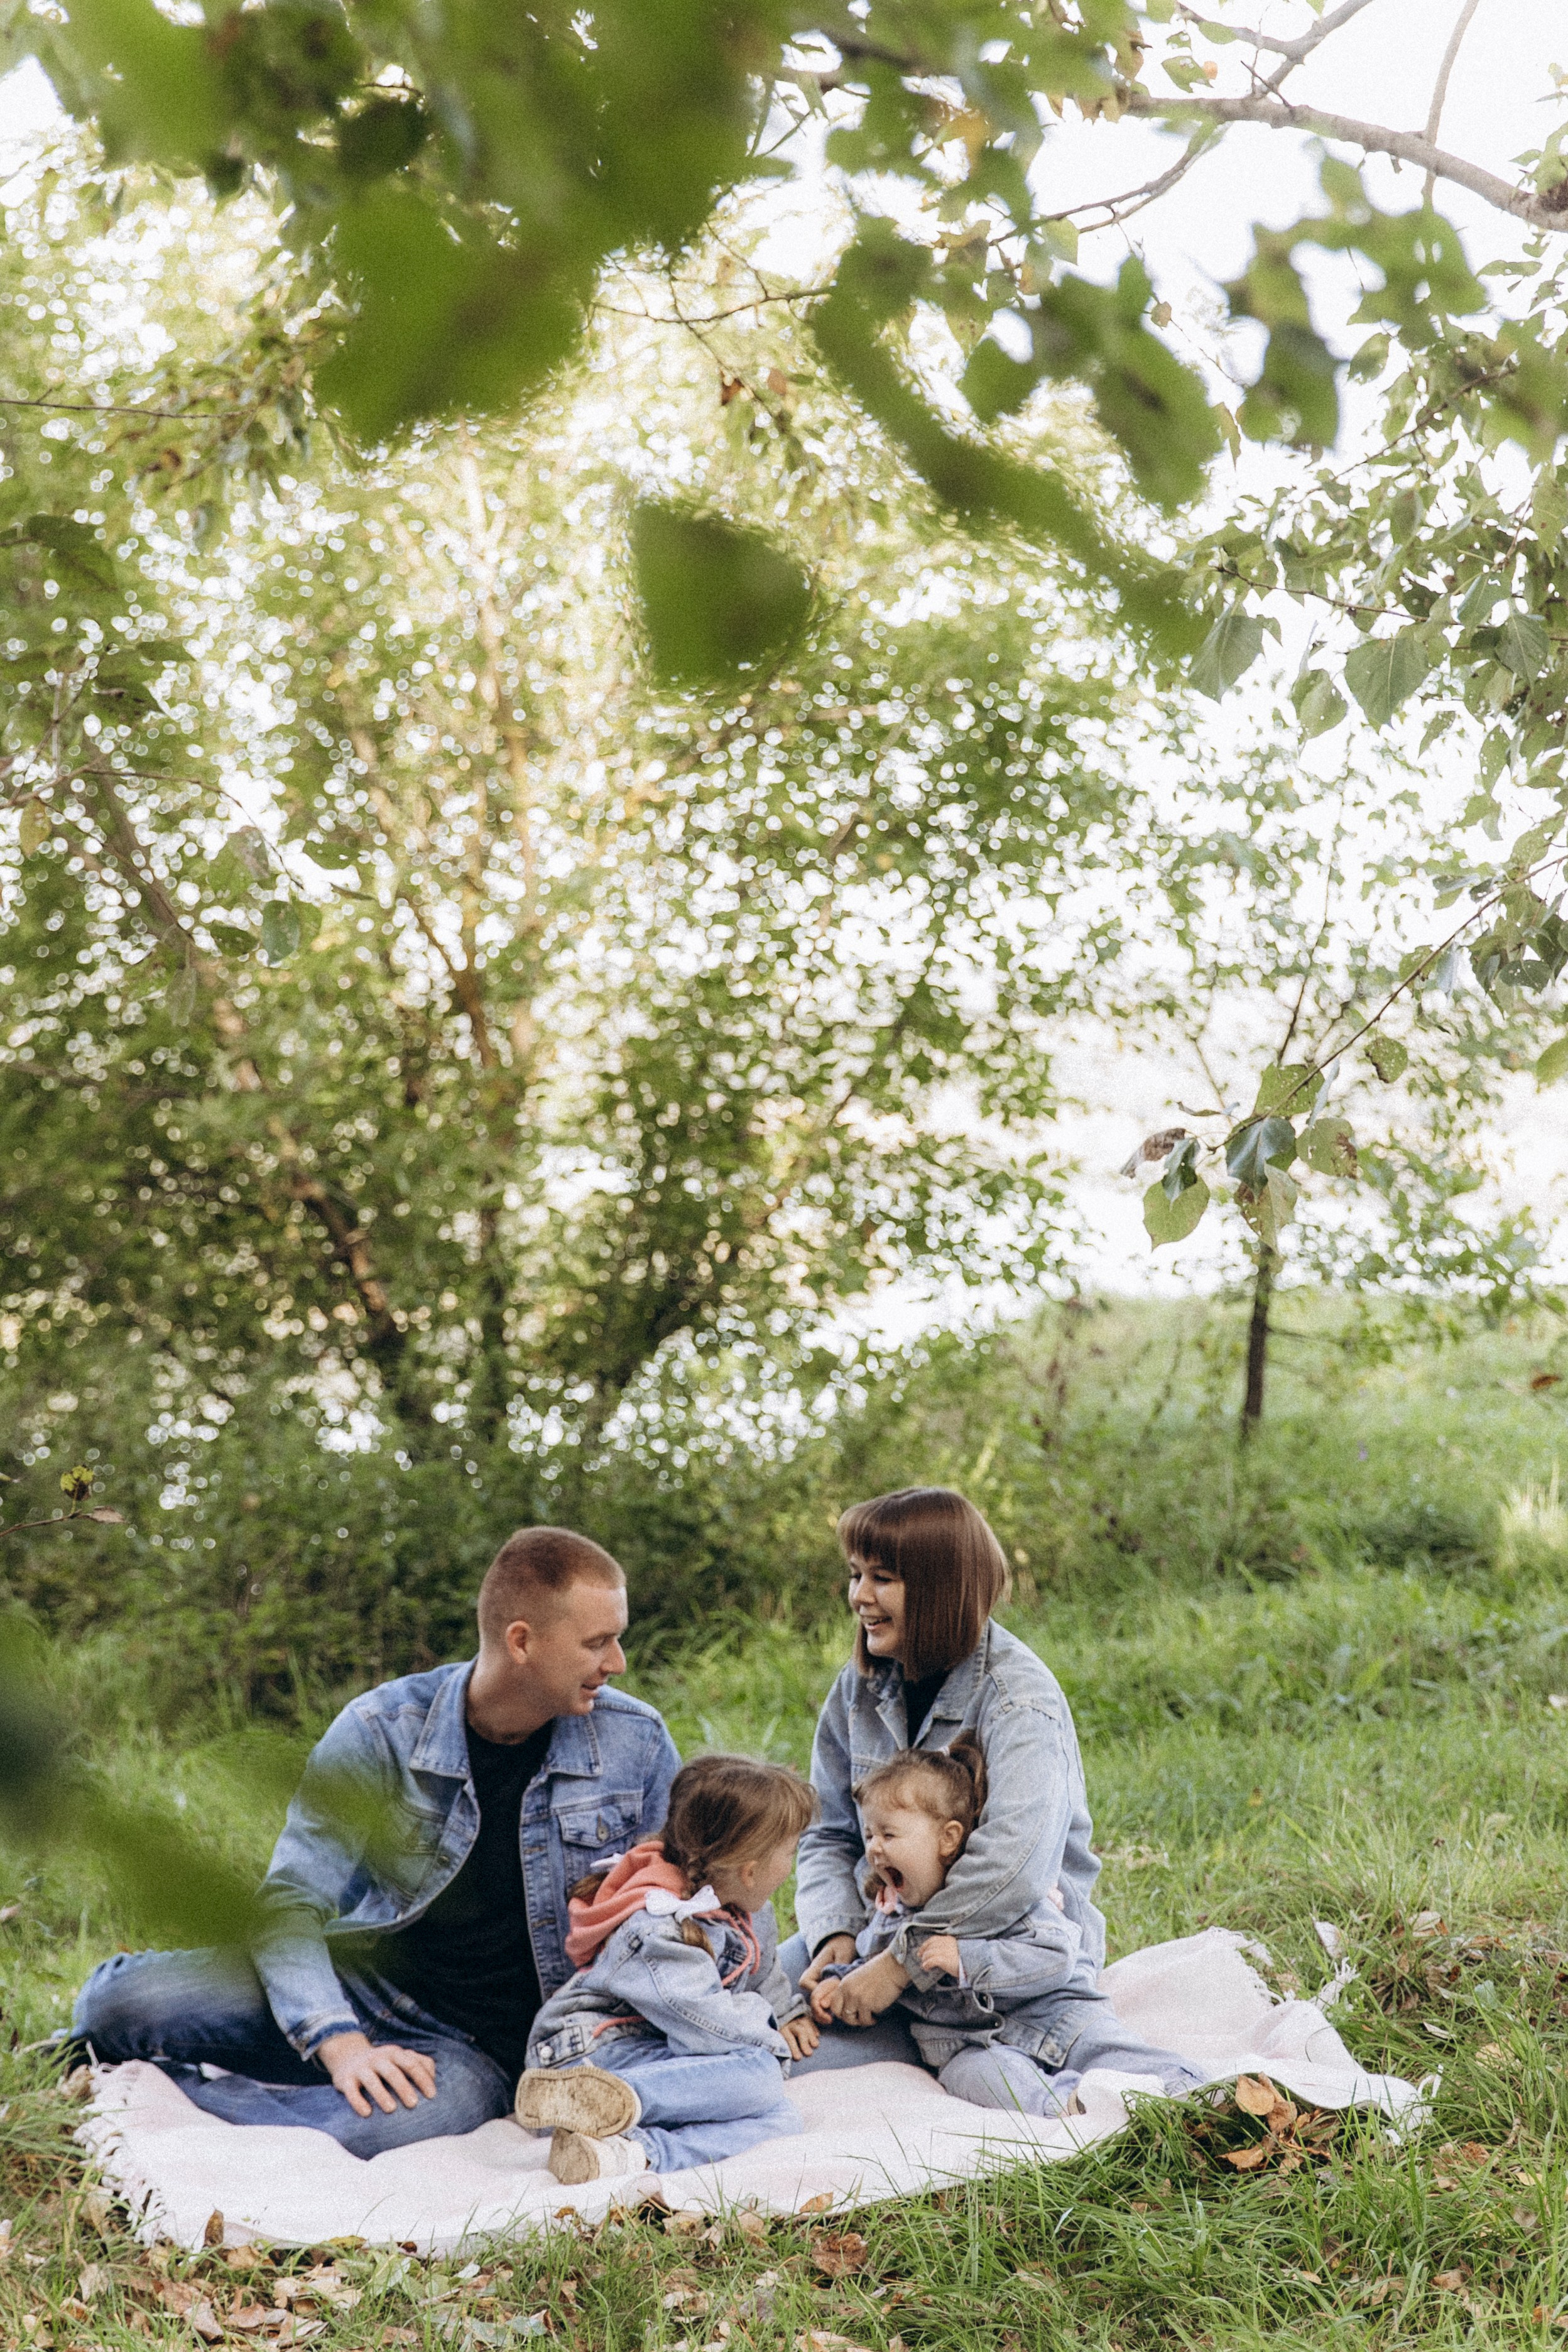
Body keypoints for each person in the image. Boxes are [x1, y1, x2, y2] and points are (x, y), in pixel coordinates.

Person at [72, 1527, 680, 2157]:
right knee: (121, 2006)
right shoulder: (381, 1730)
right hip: (361, 1985)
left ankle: (144, 2102)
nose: (618, 1664)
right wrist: (340, 2043)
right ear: (522, 1641)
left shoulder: (637, 1744)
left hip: (478, 2050)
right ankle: (148, 2075)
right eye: (598, 1642)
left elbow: (678, 1909)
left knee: (389, 2126)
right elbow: (291, 1901)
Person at [785, 1485, 1163, 2084]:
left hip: (1008, 1959)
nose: (859, 1596)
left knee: (1098, 2069)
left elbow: (1014, 1865)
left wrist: (898, 1966)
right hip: (880, 1935)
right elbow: (829, 1833)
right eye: (856, 1575)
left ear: (939, 1591)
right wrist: (834, 1931)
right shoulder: (856, 1691)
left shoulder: (1019, 1699)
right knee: (762, 2012)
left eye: (882, 1578)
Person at [812, 1737, 1202, 2112]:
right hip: (965, 2045)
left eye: (889, 1834)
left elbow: (1057, 1958)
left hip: (1054, 2017)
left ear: (948, 1839)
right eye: (868, 1835)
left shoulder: (1002, 1896)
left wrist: (968, 1958)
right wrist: (841, 1982)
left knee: (1105, 2046)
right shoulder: (890, 1917)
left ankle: (1199, 2091)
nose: (874, 1849)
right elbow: (872, 1968)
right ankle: (1068, 2106)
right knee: (981, 2079)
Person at [516, 1753, 820, 2183]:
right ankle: (597, 2101)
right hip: (588, 2056)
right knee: (761, 2076)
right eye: (790, 1852)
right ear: (749, 1870)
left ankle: (629, 2153)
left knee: (781, 2120)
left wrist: (784, 2011)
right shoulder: (660, 1926)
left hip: (656, 2053)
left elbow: (761, 1968)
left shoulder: (748, 1907)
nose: (790, 1866)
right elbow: (707, 2026)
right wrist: (767, 2042)